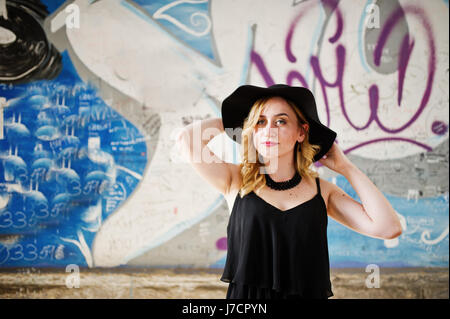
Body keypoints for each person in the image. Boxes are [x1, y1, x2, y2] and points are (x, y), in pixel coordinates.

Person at [176, 84, 403, 299]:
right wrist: (236, 121)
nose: (268, 131)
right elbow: (186, 139)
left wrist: (347, 168)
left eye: (281, 122)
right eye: (260, 122)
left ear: (301, 132)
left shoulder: (322, 191)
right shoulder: (236, 180)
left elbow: (388, 228)